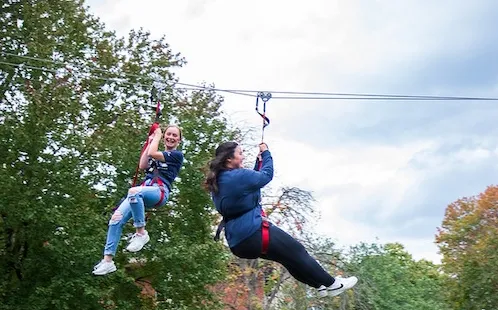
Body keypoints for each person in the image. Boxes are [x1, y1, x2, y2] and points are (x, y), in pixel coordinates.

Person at [205, 141, 357, 297]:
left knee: (287, 258)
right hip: (253, 232)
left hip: (238, 242)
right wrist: (266, 154)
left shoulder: (221, 180)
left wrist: (259, 162)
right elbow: (265, 176)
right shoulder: (238, 176)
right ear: (229, 159)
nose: (243, 157)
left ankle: (318, 284)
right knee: (297, 251)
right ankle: (333, 284)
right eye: (240, 154)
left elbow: (252, 184)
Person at [92, 125, 184, 275]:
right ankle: (108, 261)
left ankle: (141, 233)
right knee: (115, 219)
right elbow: (142, 165)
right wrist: (151, 140)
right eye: (168, 134)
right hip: (144, 189)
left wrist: (158, 135)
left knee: (133, 192)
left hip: (159, 192)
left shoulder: (176, 155)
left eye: (175, 135)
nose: (171, 137)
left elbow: (153, 153)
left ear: (179, 140)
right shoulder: (157, 152)